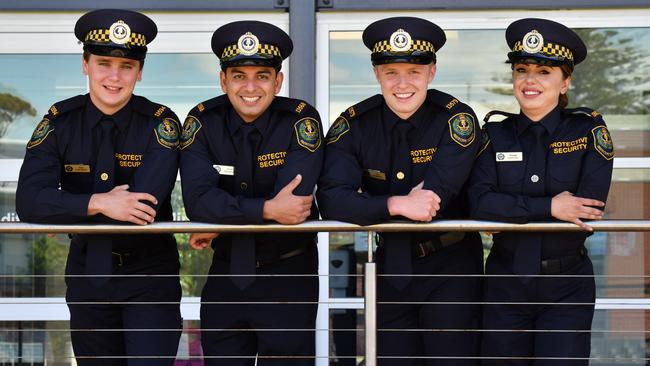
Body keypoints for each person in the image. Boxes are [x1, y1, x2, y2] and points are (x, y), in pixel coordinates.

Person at [15, 9, 182, 365]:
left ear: (139, 72)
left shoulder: (161, 123)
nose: (114, 76)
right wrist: (97, 203)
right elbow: (29, 200)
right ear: (85, 64)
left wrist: (64, 205)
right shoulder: (60, 121)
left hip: (149, 274)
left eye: (126, 66)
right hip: (88, 273)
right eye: (104, 63)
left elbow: (143, 205)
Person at [317, 16, 483, 366]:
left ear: (432, 72)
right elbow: (331, 199)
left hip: (452, 268)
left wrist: (368, 204)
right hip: (390, 267)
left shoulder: (456, 119)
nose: (402, 83)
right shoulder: (353, 126)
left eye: (414, 71)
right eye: (391, 71)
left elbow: (429, 204)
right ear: (377, 73)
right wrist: (395, 203)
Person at [468, 18, 614, 365]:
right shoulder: (493, 135)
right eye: (522, 70)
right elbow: (479, 203)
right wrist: (550, 206)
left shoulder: (588, 132)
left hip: (566, 285)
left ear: (565, 82)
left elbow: (587, 207)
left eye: (545, 72)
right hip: (504, 282)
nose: (530, 80)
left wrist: (511, 210)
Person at [179, 21, 323, 365]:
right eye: (239, 75)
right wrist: (267, 210)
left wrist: (224, 217)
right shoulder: (202, 122)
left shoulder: (300, 121)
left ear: (278, 81)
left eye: (262, 75)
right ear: (223, 80)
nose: (250, 87)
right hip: (226, 274)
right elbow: (198, 203)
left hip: (288, 277)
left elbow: (295, 205)